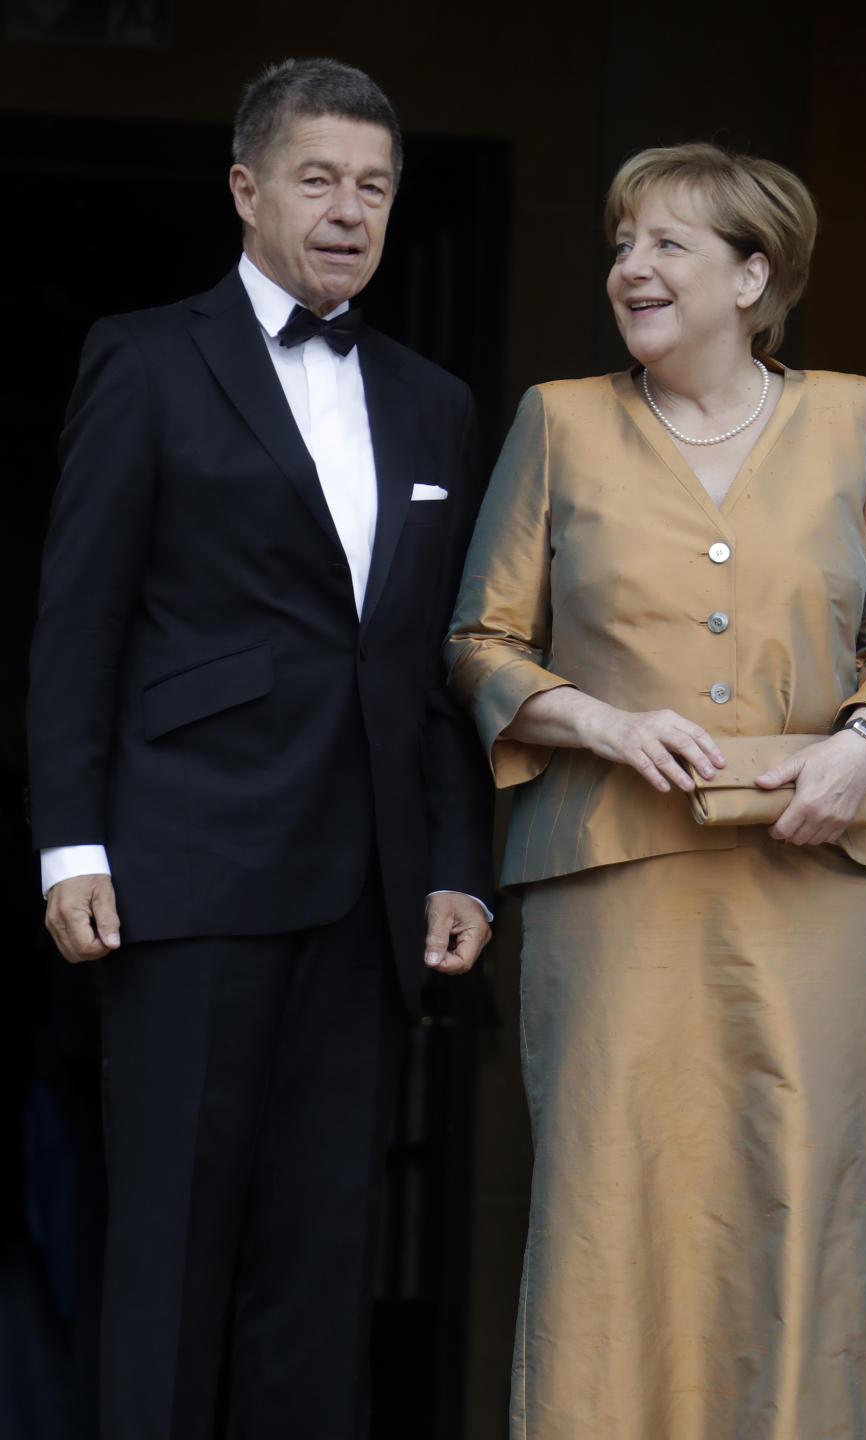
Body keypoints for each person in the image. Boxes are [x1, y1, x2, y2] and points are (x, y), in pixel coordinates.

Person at [445, 142, 866, 1438]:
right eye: (621, 243)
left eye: (668, 244)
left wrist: (859, 747)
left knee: (810, 1202)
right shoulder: (560, 420)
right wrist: (605, 724)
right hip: (615, 877)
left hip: (819, 869)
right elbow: (480, 644)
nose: (631, 268)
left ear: (754, 274)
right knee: (614, 1212)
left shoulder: (859, 417)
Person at [27, 57, 493, 1440]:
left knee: (322, 1269)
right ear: (245, 189)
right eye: (317, 179)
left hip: (360, 895)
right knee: (167, 1260)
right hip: (184, 872)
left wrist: (457, 864)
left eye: (374, 186)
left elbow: (424, 666)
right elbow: (76, 625)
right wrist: (70, 844)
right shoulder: (146, 355)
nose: (349, 210)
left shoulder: (435, 403)